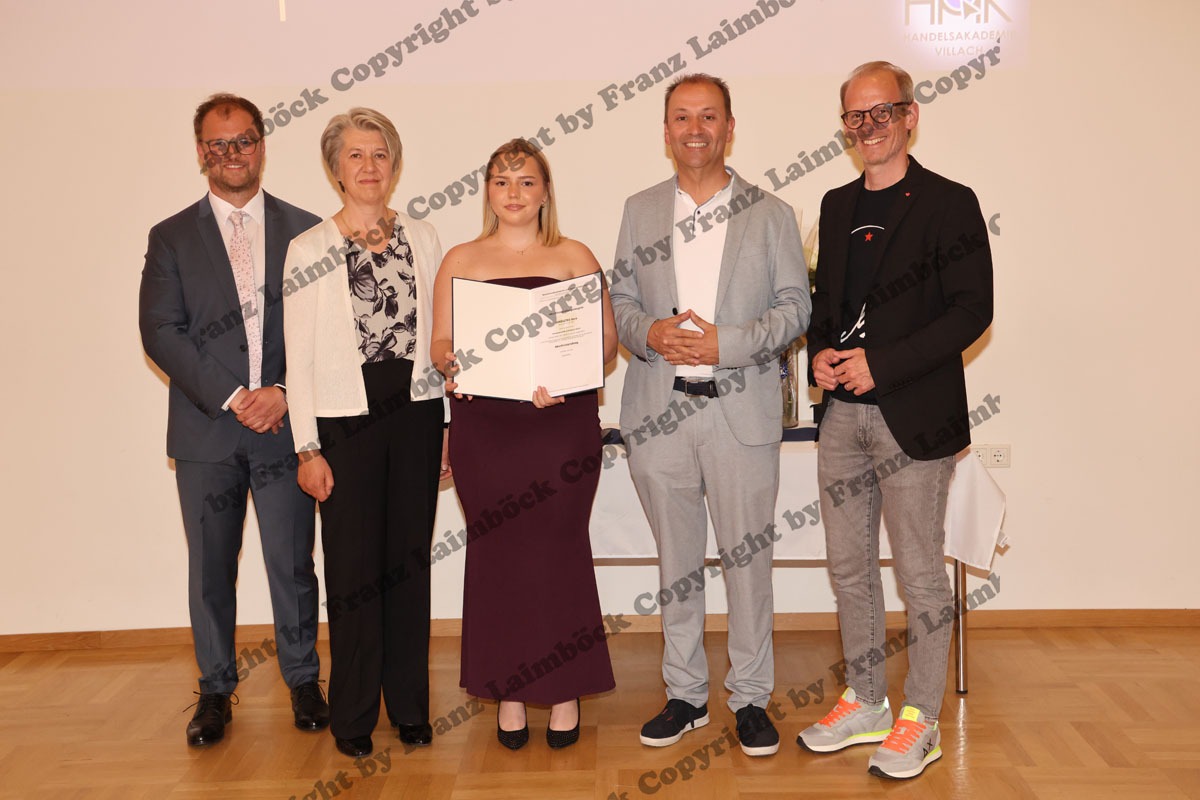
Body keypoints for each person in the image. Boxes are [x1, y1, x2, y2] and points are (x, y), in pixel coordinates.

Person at [797, 61, 993, 780]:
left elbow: (972, 310)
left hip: (915, 416)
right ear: (845, 126)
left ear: (910, 116)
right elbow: (827, 305)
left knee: (920, 573)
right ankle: (867, 700)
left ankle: (922, 718)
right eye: (856, 115)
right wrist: (820, 353)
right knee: (849, 568)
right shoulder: (835, 204)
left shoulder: (951, 202)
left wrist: (883, 364)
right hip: (842, 418)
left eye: (882, 111)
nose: (868, 125)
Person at [609, 74, 810, 757]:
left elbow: (795, 308)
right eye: (682, 117)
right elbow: (621, 301)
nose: (695, 129)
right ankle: (686, 695)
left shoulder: (771, 213)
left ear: (729, 127)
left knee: (748, 563)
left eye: (708, 116)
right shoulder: (639, 210)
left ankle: (750, 698)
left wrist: (728, 343)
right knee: (677, 565)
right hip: (658, 412)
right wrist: (648, 333)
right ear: (666, 131)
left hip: (740, 414)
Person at [139, 93, 329, 746]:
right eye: (218, 144)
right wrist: (235, 396)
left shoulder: (308, 231)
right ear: (201, 153)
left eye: (243, 140)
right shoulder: (170, 237)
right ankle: (215, 691)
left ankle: (304, 681)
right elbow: (161, 331)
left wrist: (282, 390)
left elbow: (324, 330)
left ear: (261, 145)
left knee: (292, 564)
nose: (232, 154)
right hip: (206, 434)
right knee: (211, 571)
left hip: (285, 430)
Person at [431, 138, 618, 750]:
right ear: (487, 191)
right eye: (502, 181)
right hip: (485, 430)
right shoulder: (460, 258)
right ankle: (509, 692)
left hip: (559, 426)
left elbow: (605, 344)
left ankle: (564, 693)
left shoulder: (574, 255)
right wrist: (453, 362)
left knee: (558, 555)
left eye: (527, 181)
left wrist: (566, 373)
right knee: (499, 557)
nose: (514, 192)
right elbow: (439, 344)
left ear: (545, 192)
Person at [282, 108, 448, 759]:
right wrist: (306, 447)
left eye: (379, 153)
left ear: (394, 163)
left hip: (416, 413)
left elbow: (442, 340)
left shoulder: (425, 237)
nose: (369, 166)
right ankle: (352, 715)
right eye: (355, 155)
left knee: (408, 565)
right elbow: (297, 360)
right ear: (335, 168)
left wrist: (447, 427)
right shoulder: (308, 249)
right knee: (352, 572)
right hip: (343, 421)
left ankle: (409, 707)